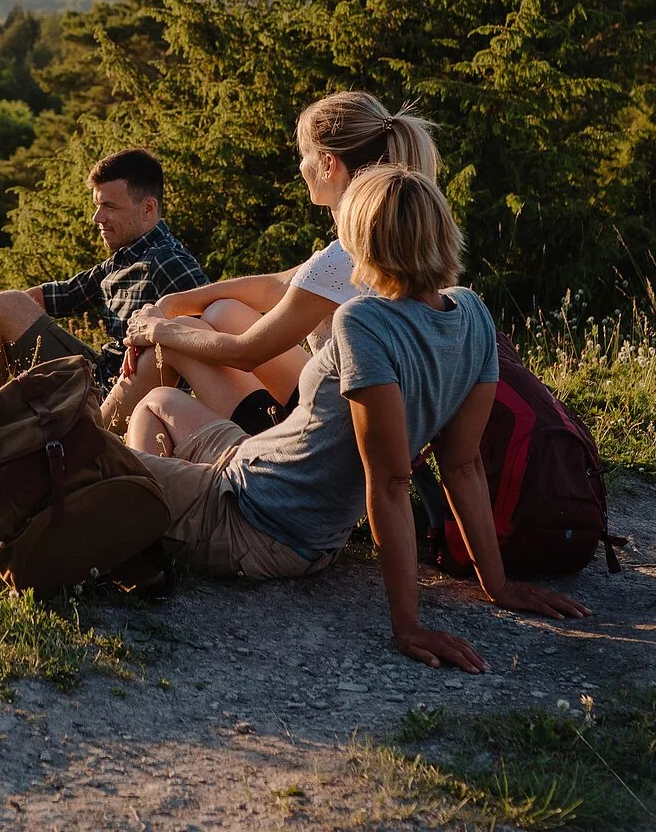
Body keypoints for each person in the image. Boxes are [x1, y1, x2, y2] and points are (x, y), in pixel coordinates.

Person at [123, 161, 587, 670]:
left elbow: (388, 481)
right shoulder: (472, 313)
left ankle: (145, 524)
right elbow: (463, 466)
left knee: (98, 464)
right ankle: (149, 532)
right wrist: (495, 585)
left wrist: (408, 626)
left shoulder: (363, 322)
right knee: (157, 404)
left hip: (257, 519)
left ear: (364, 242)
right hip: (255, 469)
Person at [121, 91, 436, 439]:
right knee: (223, 311)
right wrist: (171, 303)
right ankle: (88, 429)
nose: (302, 167)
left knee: (172, 349)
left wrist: (156, 329)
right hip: (366, 413)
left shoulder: (343, 259)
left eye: (305, 155)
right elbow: (279, 286)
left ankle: (89, 435)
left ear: (328, 165)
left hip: (332, 437)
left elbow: (246, 353)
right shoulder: (374, 242)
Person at [0, 147, 209, 402]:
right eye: (97, 206)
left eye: (109, 206)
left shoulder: (168, 261)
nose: (97, 218)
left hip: (116, 396)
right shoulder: (125, 260)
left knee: (4, 307)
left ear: (147, 208)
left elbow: (212, 338)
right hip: (99, 380)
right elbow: (49, 296)